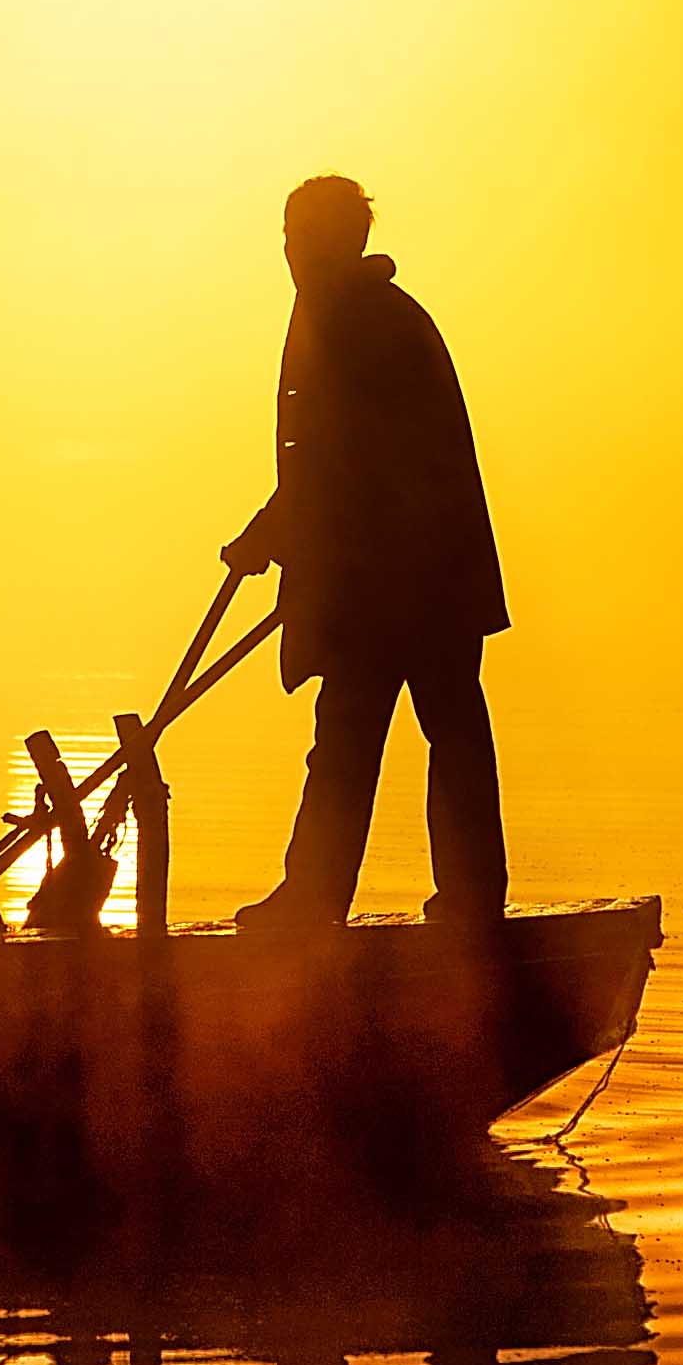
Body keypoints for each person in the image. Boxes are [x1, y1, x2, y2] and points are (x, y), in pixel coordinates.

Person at [224, 173, 512, 931]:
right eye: (286, 236)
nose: (288, 251)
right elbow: (328, 460)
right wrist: (272, 534)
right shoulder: (351, 317)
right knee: (394, 734)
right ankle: (442, 902)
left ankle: (338, 903)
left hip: (403, 582)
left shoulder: (364, 327)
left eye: (300, 237)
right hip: (396, 578)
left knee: (373, 733)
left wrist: (285, 537)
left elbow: (352, 462)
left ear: (337, 242)